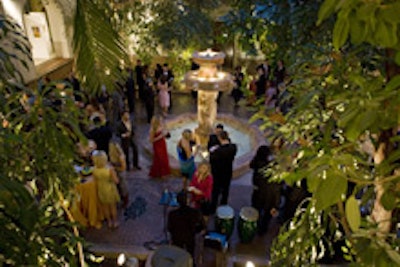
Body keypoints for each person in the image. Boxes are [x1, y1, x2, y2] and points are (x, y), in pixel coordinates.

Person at [250, 145, 281, 235]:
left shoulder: (257, 164)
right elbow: (276, 189)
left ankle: (254, 225)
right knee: (267, 216)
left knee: (256, 210)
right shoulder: (270, 171)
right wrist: (276, 205)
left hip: (258, 194)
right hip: (269, 197)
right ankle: (262, 230)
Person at [168, 191, 206, 258]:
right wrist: (195, 231)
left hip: (177, 239)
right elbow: (202, 226)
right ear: (187, 201)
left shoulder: (172, 214)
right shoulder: (194, 212)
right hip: (189, 239)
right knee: (190, 256)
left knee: (177, 258)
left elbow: (169, 228)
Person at [210, 131, 237, 212]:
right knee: (226, 189)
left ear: (219, 138)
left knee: (215, 191)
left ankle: (213, 208)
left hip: (218, 173)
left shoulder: (217, 151)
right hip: (228, 171)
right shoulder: (234, 147)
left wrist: (212, 152)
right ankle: (223, 204)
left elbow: (212, 161)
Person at [92, 150, 120, 228]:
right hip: (110, 188)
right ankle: (115, 221)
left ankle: (109, 222)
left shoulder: (94, 169)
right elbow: (116, 181)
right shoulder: (110, 170)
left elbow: (95, 180)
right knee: (112, 207)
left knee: (105, 207)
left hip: (101, 189)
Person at [109, 140, 129, 209]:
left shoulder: (121, 157)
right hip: (117, 172)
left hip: (120, 173)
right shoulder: (113, 157)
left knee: (123, 187)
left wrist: (114, 168)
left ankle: (125, 200)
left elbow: (123, 168)